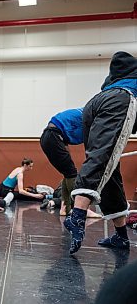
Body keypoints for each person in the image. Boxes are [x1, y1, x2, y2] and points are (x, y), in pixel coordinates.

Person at [64, 51, 136, 255]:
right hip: (120, 101)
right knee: (103, 158)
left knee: (109, 169)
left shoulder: (112, 82)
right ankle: (78, 215)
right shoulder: (130, 86)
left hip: (93, 103)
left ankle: (121, 236)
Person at [40, 108, 101, 217]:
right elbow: (91, 142)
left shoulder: (84, 114)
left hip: (50, 137)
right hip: (53, 136)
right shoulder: (89, 116)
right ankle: (81, 209)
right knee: (72, 174)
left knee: (68, 173)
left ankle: (65, 208)